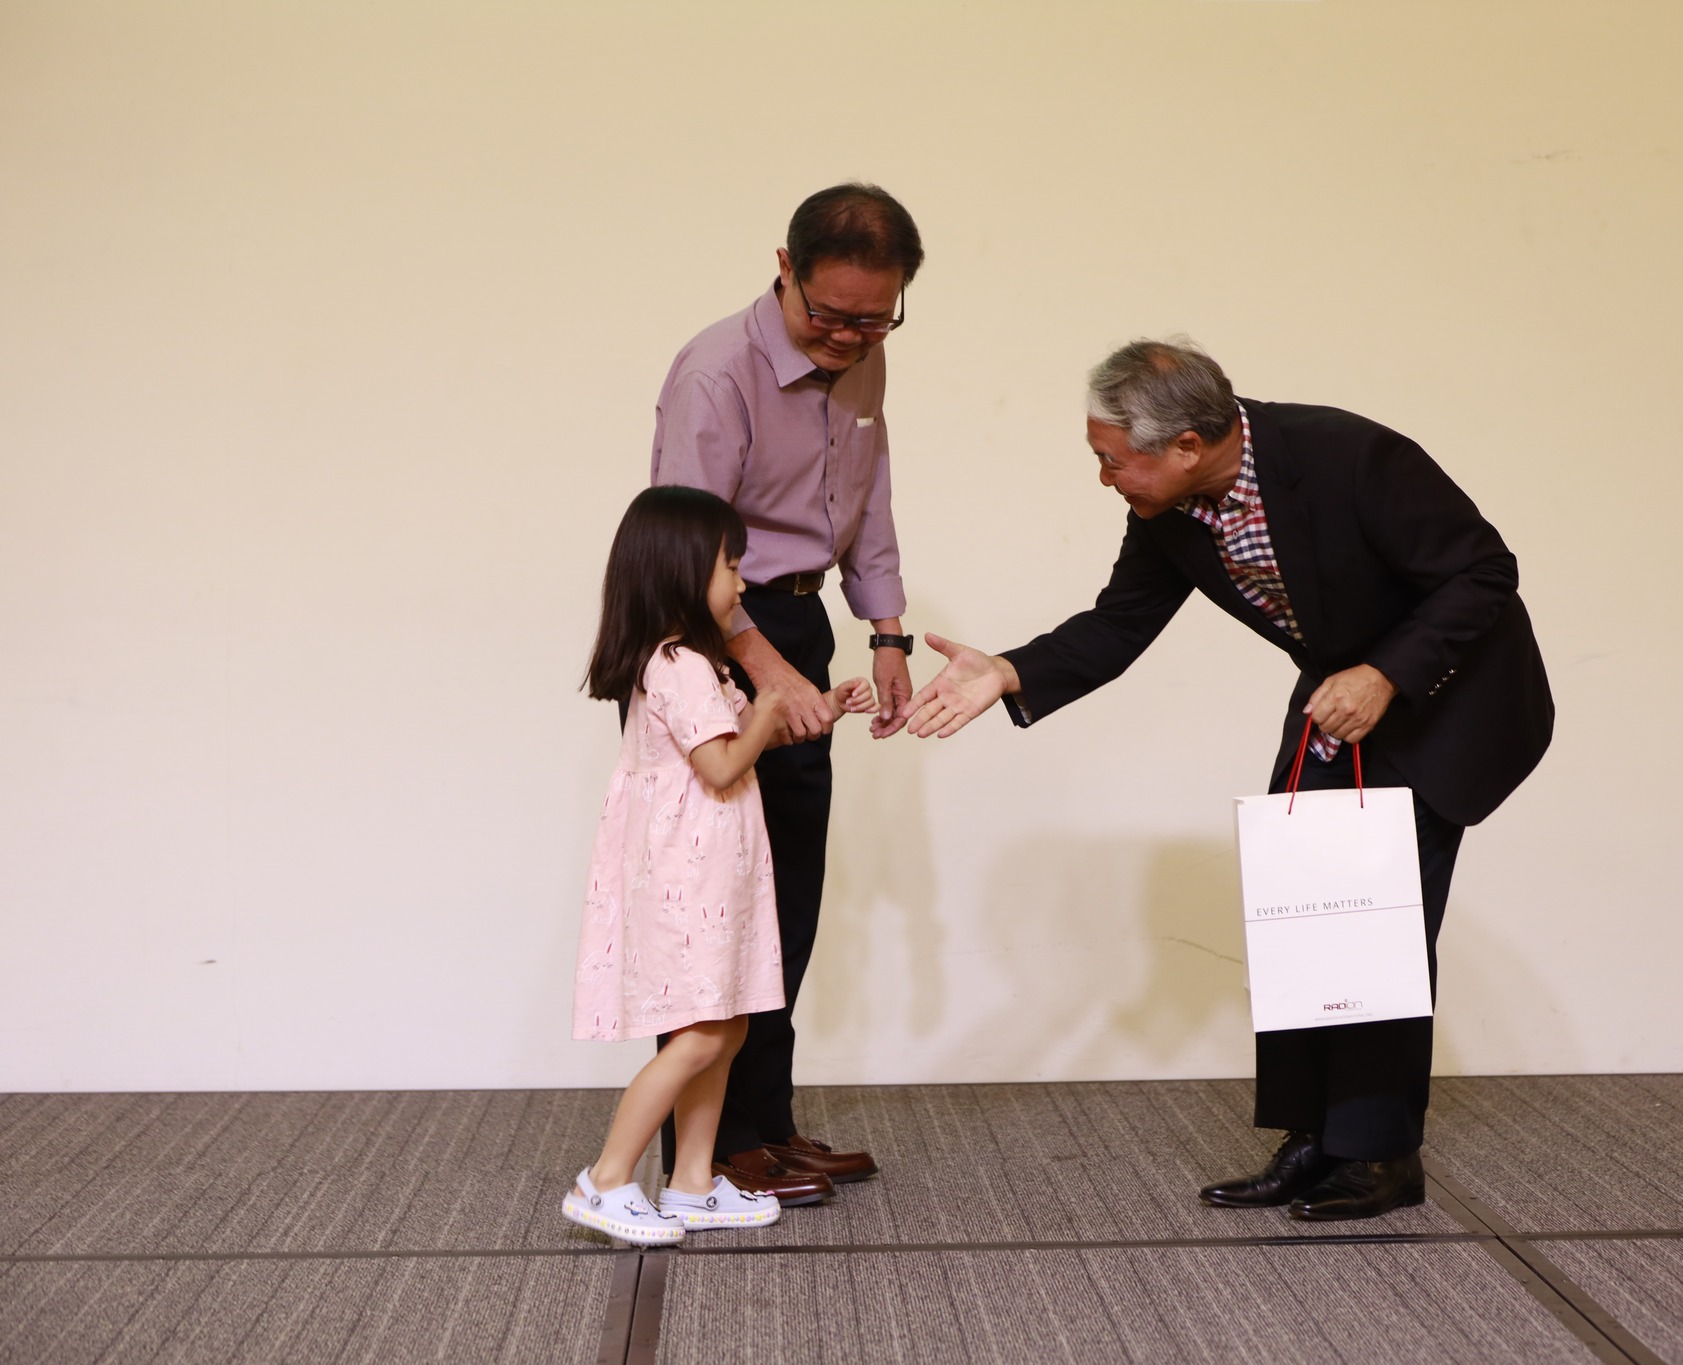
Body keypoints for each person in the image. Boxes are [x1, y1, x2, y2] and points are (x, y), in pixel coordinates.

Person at [904, 340, 1554, 1222]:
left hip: (1448, 696)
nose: (1104, 478)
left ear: (1187, 444)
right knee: (1303, 908)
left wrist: (1385, 675)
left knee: (1376, 925)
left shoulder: (1348, 455)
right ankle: (1314, 1139)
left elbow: (1483, 572)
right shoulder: (1168, 510)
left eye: (1112, 459)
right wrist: (1009, 670)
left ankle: (1380, 1156)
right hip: (1341, 695)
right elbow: (1119, 623)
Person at [646, 183, 924, 1203]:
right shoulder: (715, 372)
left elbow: (868, 497)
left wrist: (884, 630)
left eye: (875, 319)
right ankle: (710, 1148)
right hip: (715, 636)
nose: (850, 337)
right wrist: (762, 668)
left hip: (802, 623)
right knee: (715, 906)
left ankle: (765, 1123)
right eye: (831, 315)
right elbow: (685, 556)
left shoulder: (863, 356)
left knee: (786, 895)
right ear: (784, 268)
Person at [562, 486, 876, 1245]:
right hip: (686, 880)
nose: (742, 583)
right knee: (700, 1033)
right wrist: (770, 700)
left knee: (728, 1028)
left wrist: (819, 706)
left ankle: (693, 1183)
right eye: (730, 565)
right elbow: (722, 762)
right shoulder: (676, 664)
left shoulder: (698, 662)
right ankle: (605, 1179)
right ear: (680, 570)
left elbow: (737, 741)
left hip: (717, 875)